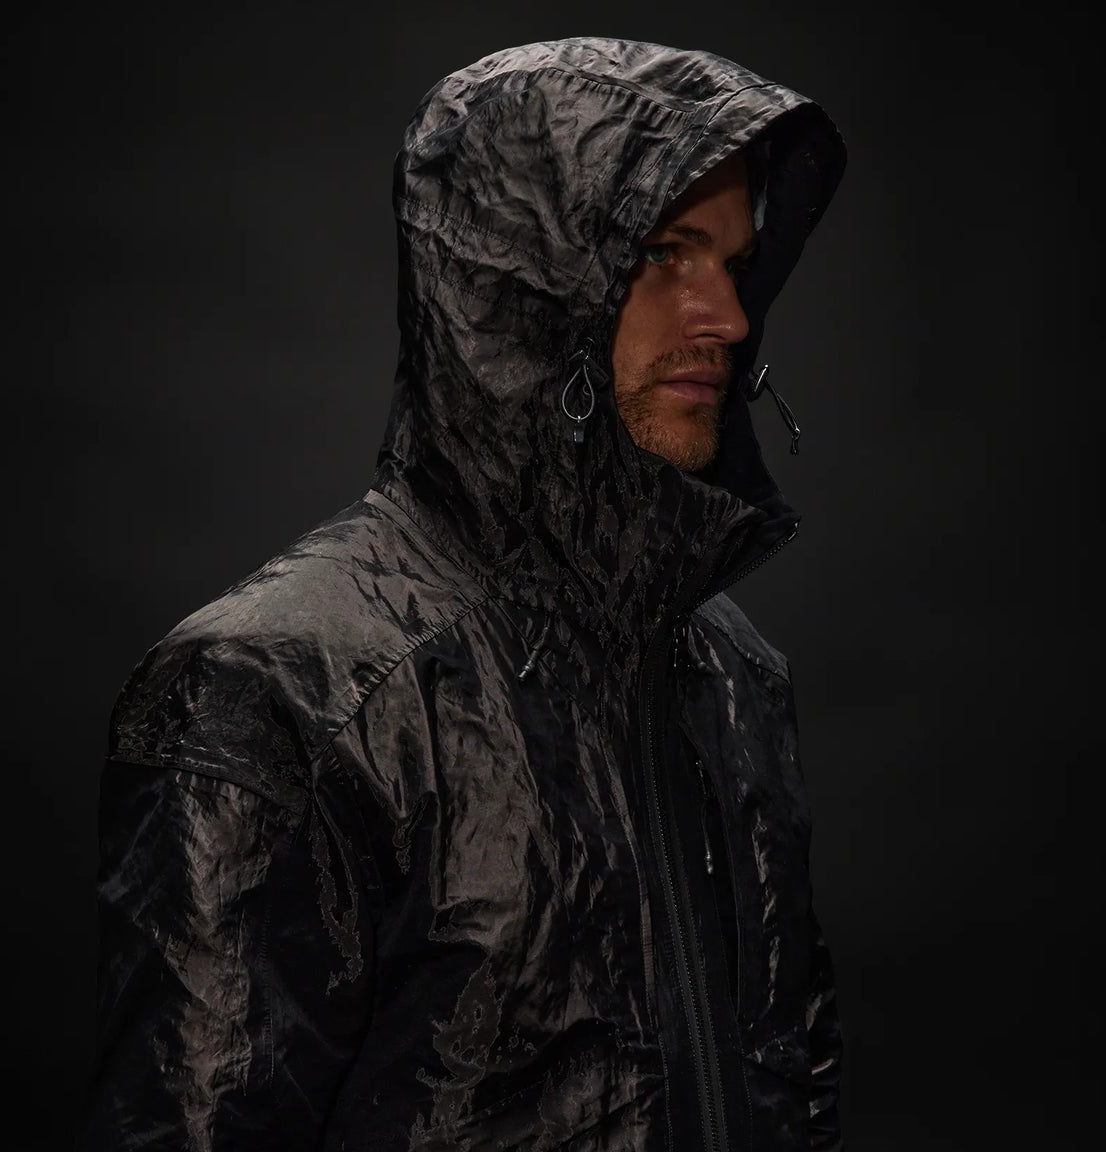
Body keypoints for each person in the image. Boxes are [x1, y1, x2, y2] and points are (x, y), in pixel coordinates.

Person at [84, 37, 848, 1151]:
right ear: (520, 287)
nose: (726, 318)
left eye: (732, 264)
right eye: (664, 254)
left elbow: (792, 1086)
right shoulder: (275, 696)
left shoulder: (730, 674)